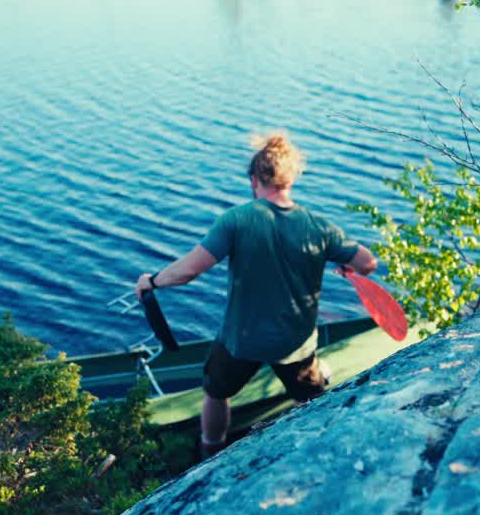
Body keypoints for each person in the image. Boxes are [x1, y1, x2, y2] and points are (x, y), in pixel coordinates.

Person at [134, 133, 378, 460]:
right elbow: (367, 263)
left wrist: (151, 281)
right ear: (290, 180)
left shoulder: (237, 220)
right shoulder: (320, 226)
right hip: (295, 344)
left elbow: (187, 272)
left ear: (254, 179)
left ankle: (211, 449)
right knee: (309, 399)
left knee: (216, 393)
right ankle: (314, 448)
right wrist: (346, 266)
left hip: (241, 341)